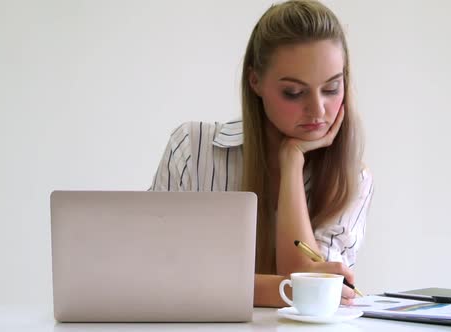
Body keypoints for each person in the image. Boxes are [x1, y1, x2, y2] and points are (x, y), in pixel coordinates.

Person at [149, 0, 374, 307]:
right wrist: (287, 288)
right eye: (294, 92)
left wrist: (292, 161)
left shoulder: (353, 180)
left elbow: (308, 294)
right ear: (255, 81)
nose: (318, 109)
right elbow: (154, 275)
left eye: (332, 88)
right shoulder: (192, 148)